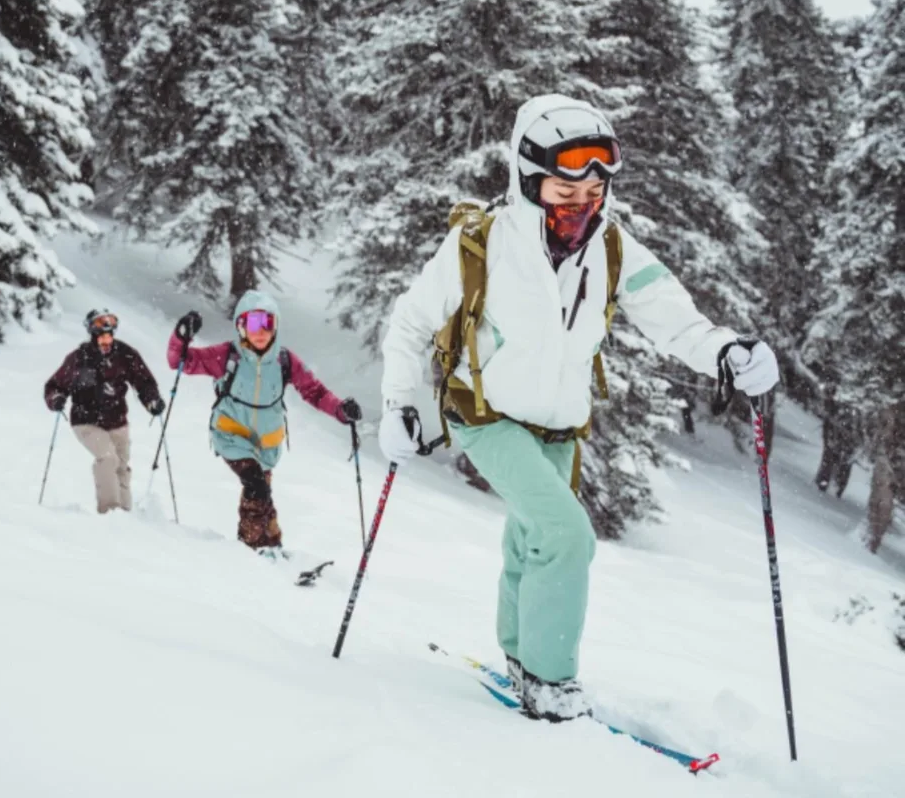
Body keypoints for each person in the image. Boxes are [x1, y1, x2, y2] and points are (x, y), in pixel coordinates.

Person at [378, 94, 780, 723]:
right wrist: (398, 403)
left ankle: (518, 655)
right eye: (563, 195)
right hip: (484, 415)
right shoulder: (478, 245)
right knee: (566, 535)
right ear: (526, 180)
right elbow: (409, 323)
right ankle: (550, 681)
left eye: (591, 195)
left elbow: (678, 323)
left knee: (530, 540)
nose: (577, 210)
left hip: (560, 426)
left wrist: (728, 352)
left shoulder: (613, 248)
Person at [168, 291, 361, 555]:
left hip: (265, 445)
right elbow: (181, 362)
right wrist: (181, 336)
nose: (260, 332)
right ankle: (250, 549)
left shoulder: (284, 361)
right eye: (252, 324)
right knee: (255, 485)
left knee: (262, 492)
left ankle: (272, 543)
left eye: (267, 324)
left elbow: (313, 391)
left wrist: (340, 410)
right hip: (231, 435)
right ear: (241, 326)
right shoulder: (228, 355)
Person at [44, 309, 165, 513]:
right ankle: (110, 512)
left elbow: (143, 381)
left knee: (122, 467)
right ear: (93, 336)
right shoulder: (79, 358)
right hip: (86, 421)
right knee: (108, 458)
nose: (106, 342)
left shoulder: (125, 354)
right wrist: (56, 399)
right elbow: (54, 385)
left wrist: (152, 400)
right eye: (101, 338)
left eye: (109, 337)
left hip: (117, 420)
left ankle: (126, 513)